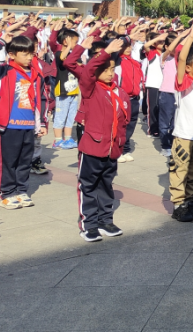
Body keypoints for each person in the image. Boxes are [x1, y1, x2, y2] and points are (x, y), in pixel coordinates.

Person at [67, 37, 128, 242]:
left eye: (112, 69)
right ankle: (89, 224)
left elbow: (122, 122)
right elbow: (86, 71)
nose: (110, 73)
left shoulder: (119, 92)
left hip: (112, 148)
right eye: (105, 69)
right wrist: (100, 52)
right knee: (89, 185)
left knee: (106, 185)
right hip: (93, 146)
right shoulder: (90, 88)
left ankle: (105, 220)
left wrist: (120, 143)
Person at [0, 21, 46, 210]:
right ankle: (7, 193)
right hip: (9, 125)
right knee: (9, 161)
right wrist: (1, 41)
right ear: (12, 55)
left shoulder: (35, 74)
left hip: (28, 125)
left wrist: (40, 123)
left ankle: (21, 190)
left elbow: (40, 100)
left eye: (30, 53)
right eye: (24, 53)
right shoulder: (3, 70)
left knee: (25, 161)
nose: (28, 57)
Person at [169, 23, 193, 222]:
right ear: (189, 67)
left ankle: (190, 199)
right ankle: (178, 204)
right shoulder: (185, 81)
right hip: (184, 134)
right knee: (180, 169)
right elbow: (182, 57)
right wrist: (190, 38)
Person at [51, 28, 81, 149]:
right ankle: (58, 140)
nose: (76, 45)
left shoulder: (73, 55)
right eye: (74, 42)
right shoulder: (59, 54)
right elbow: (63, 58)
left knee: (71, 116)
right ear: (65, 41)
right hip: (62, 90)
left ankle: (68, 139)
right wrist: (69, 46)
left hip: (73, 91)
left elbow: (80, 65)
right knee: (60, 116)